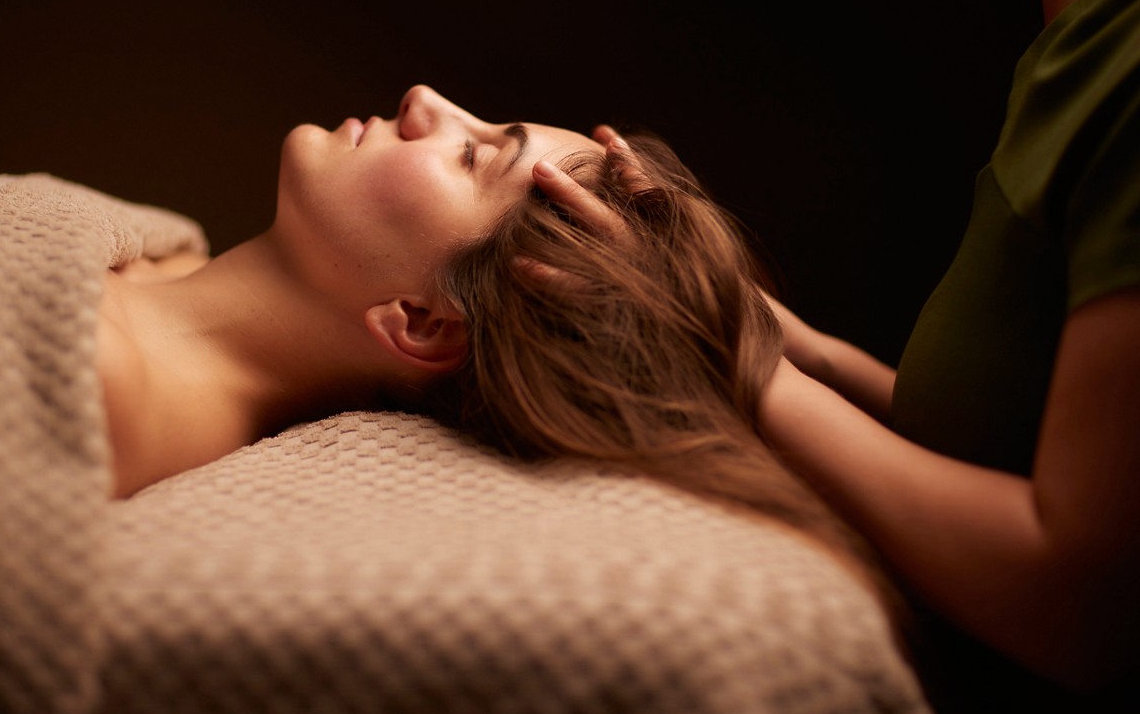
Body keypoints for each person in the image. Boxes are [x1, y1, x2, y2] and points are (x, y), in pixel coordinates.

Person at [96, 85, 884, 601]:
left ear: (423, 321)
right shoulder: (157, 259)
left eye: (472, 155)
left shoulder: (100, 383)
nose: (423, 100)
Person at [739, 0, 1140, 714]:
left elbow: (1081, 611)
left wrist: (748, 370)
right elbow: (1029, 446)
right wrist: (808, 353)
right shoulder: (1082, 43)